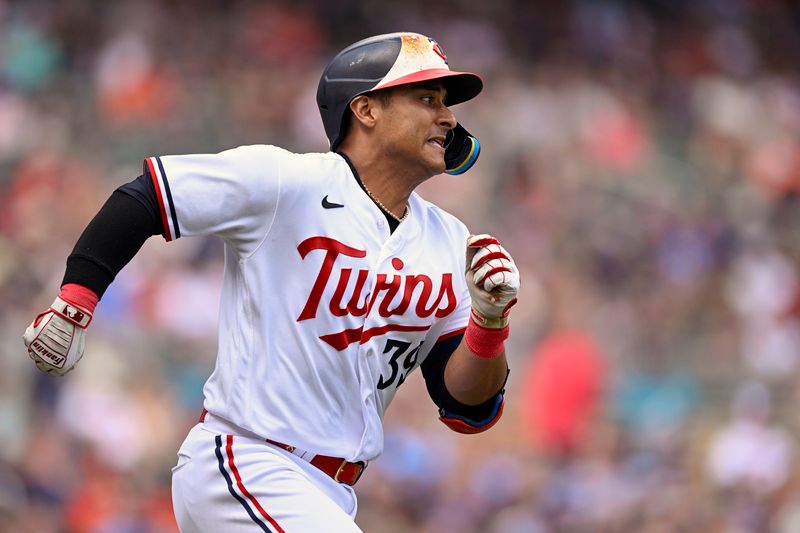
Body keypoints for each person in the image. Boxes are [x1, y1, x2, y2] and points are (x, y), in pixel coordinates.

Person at [23, 32, 520, 532]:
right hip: (246, 462)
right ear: (366, 109)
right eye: (427, 98)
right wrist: (75, 301)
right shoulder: (287, 181)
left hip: (332, 491)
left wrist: (489, 321)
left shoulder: (450, 241)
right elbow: (147, 196)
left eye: (445, 104)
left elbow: (466, 405)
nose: (449, 118)